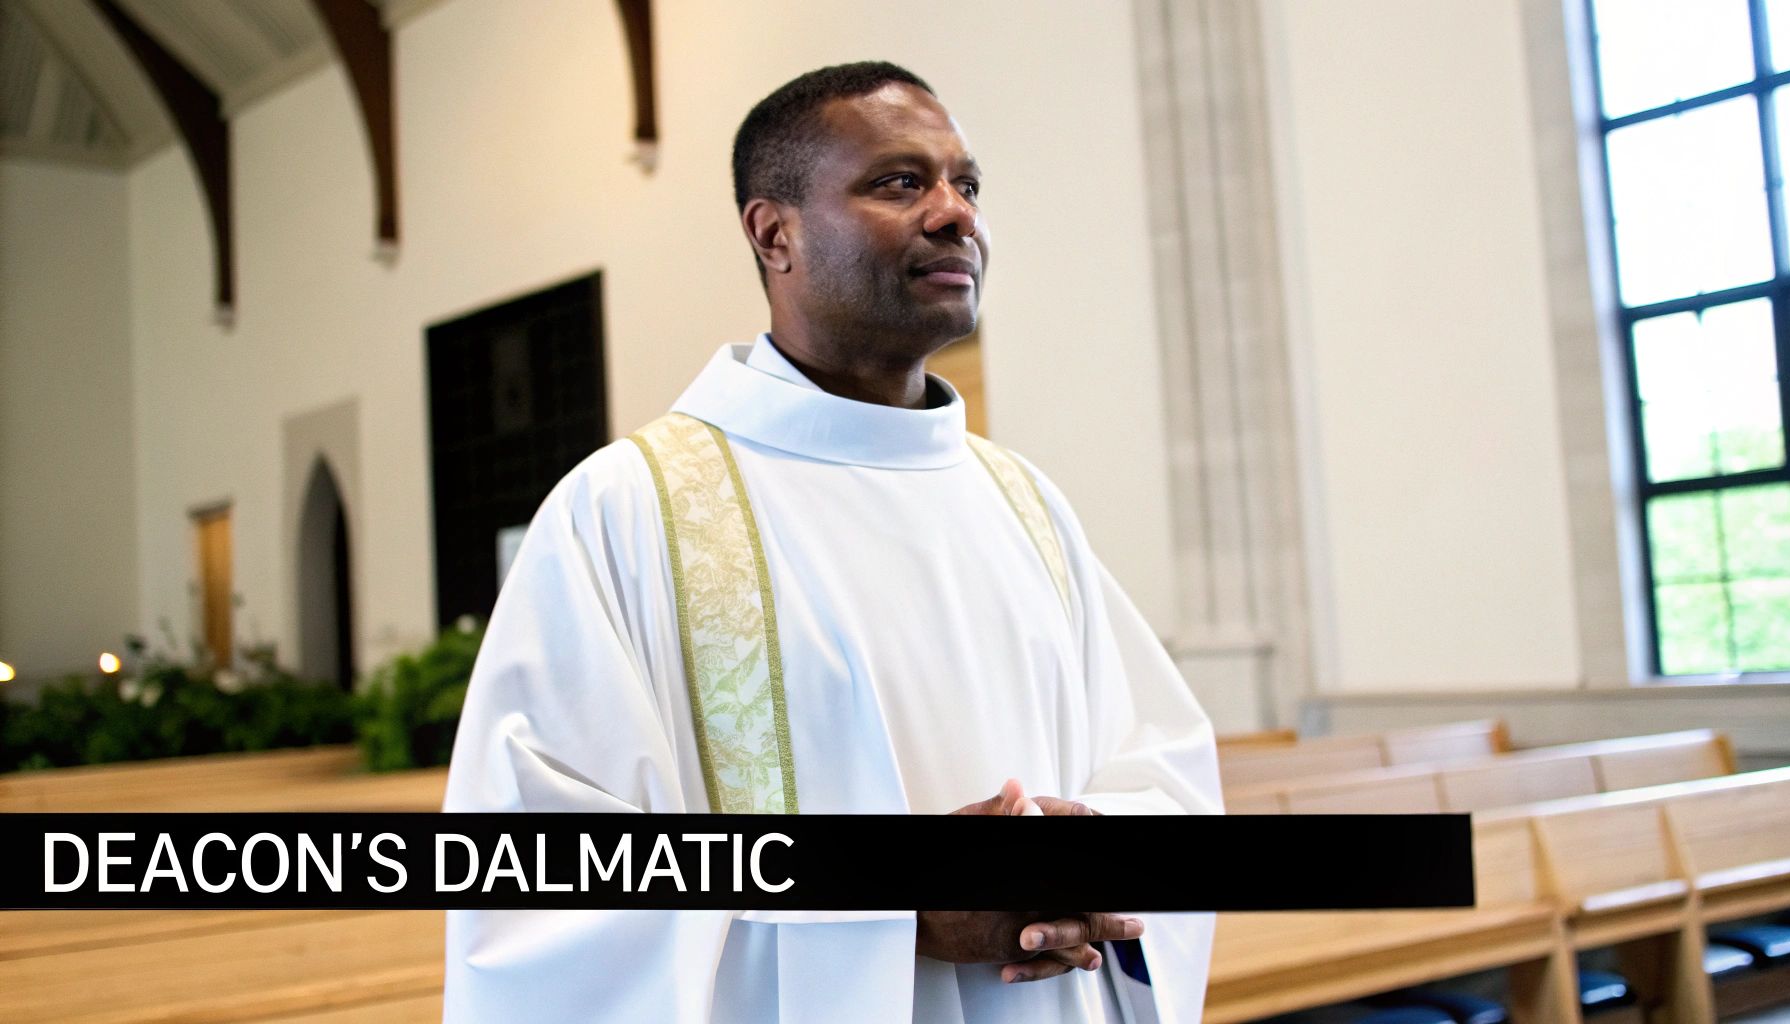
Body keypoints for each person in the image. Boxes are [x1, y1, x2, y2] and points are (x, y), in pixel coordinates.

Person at [442, 61, 1222, 1023]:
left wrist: (1090, 853)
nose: (955, 215)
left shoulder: (1023, 502)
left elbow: (1162, 772)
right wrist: (888, 905)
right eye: (901, 182)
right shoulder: (626, 511)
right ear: (776, 234)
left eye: (966, 185)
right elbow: (539, 884)